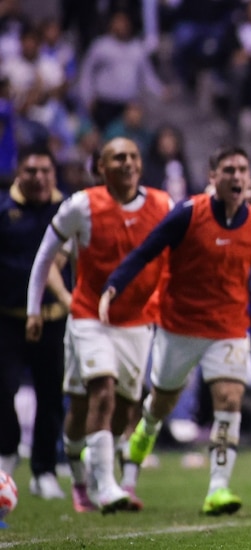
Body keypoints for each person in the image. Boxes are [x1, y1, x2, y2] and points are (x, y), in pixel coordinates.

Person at [100, 146, 251, 516]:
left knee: (230, 399)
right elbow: (145, 252)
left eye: (242, 170)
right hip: (179, 325)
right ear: (212, 176)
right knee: (161, 405)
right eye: (228, 169)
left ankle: (218, 488)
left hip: (229, 327)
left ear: (249, 178)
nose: (236, 176)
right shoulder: (188, 213)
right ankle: (140, 442)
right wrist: (114, 286)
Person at [27, 137, 172, 512]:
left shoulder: (163, 205)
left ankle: (78, 475)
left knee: (120, 410)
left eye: (133, 156)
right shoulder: (81, 206)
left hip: (138, 321)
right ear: (100, 167)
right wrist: (33, 309)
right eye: (118, 157)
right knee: (101, 393)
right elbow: (45, 258)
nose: (127, 163)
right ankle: (104, 486)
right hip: (90, 316)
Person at [2, 148, 66, 500]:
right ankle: (7, 453)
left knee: (51, 394)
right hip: (7, 318)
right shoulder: (3, 211)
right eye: (31, 170)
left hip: (53, 318)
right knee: (2, 390)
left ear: (54, 174)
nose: (39, 177)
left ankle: (44, 470)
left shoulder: (68, 208)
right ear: (18, 173)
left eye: (45, 170)